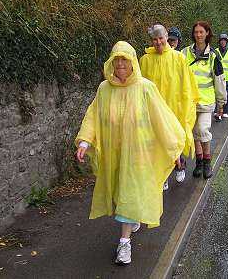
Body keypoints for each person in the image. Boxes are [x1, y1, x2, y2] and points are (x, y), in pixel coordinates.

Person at [75, 41, 185, 265]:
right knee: (119, 194)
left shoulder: (145, 88)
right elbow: (93, 116)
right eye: (117, 60)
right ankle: (132, 217)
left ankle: (124, 243)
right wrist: (85, 141)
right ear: (111, 63)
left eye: (125, 59)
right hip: (113, 155)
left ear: (133, 61)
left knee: (129, 192)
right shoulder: (104, 89)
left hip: (139, 156)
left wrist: (173, 148)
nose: (121, 64)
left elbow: (161, 119)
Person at [140, 24, 199, 190]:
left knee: (174, 141)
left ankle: (180, 166)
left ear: (166, 38)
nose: (158, 42)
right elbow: (141, 86)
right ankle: (163, 175)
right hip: (155, 111)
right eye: (154, 39)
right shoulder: (145, 60)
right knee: (157, 144)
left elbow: (186, 84)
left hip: (174, 108)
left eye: (161, 38)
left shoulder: (178, 58)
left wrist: (187, 104)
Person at [181, 21, 227, 179]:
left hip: (206, 102)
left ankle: (208, 162)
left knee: (202, 130)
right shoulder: (184, 53)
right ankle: (199, 162)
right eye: (196, 32)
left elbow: (219, 80)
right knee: (194, 132)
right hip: (189, 102)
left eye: (201, 32)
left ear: (207, 33)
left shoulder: (213, 56)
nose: (198, 35)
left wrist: (221, 103)